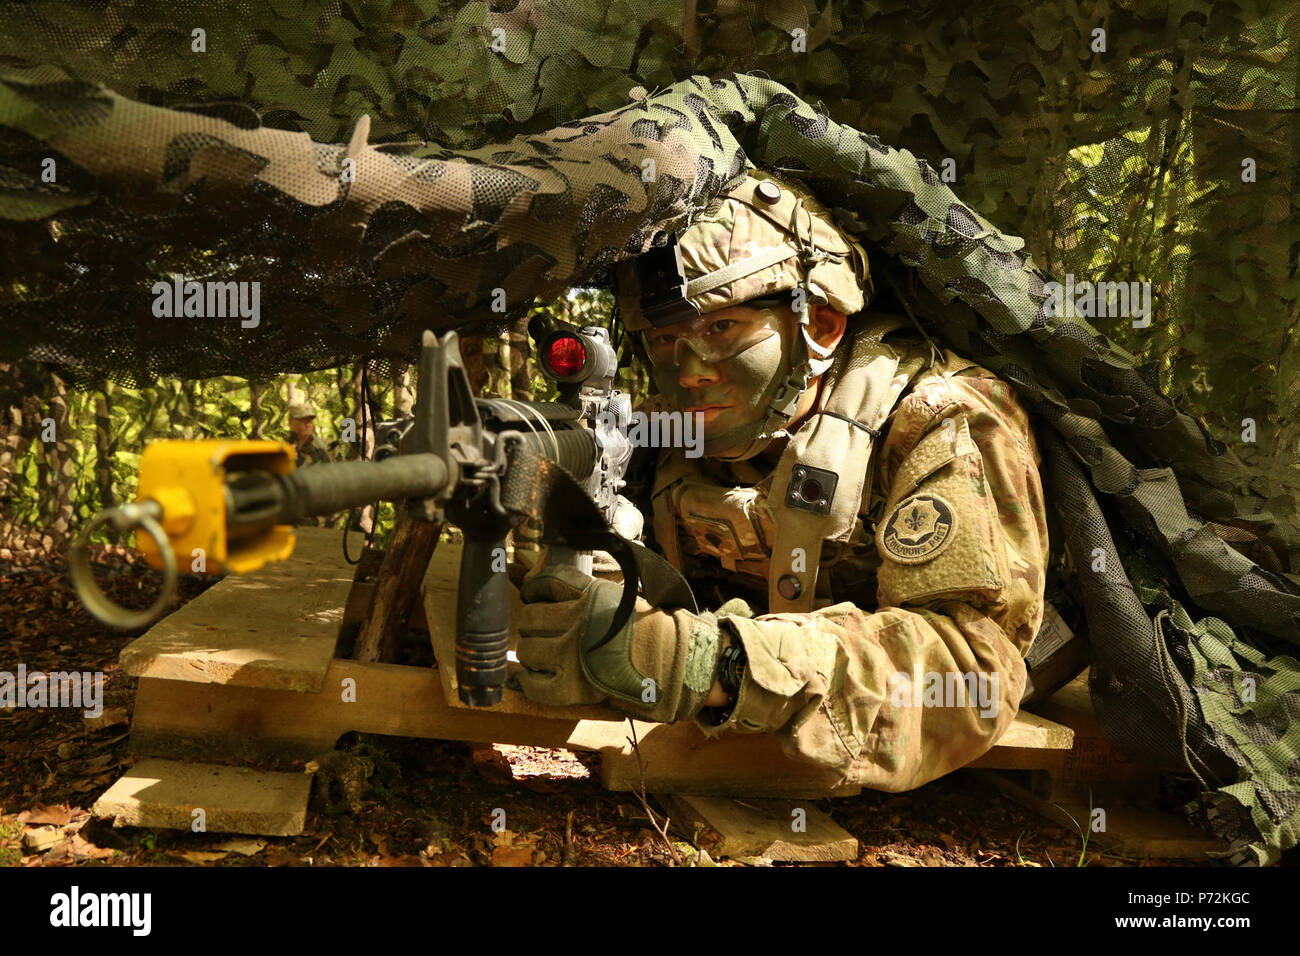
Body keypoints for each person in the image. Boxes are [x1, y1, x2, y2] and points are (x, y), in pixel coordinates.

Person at [513, 168, 1048, 792]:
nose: (688, 372)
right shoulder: (672, 427)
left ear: (819, 325)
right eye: (664, 337)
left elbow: (970, 669)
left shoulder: (941, 420)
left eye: (721, 328)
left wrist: (709, 664)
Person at [287, 401, 333, 468]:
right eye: (303, 420)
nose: (308, 424)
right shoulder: (283, 450)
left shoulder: (326, 445)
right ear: (291, 422)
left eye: (310, 420)